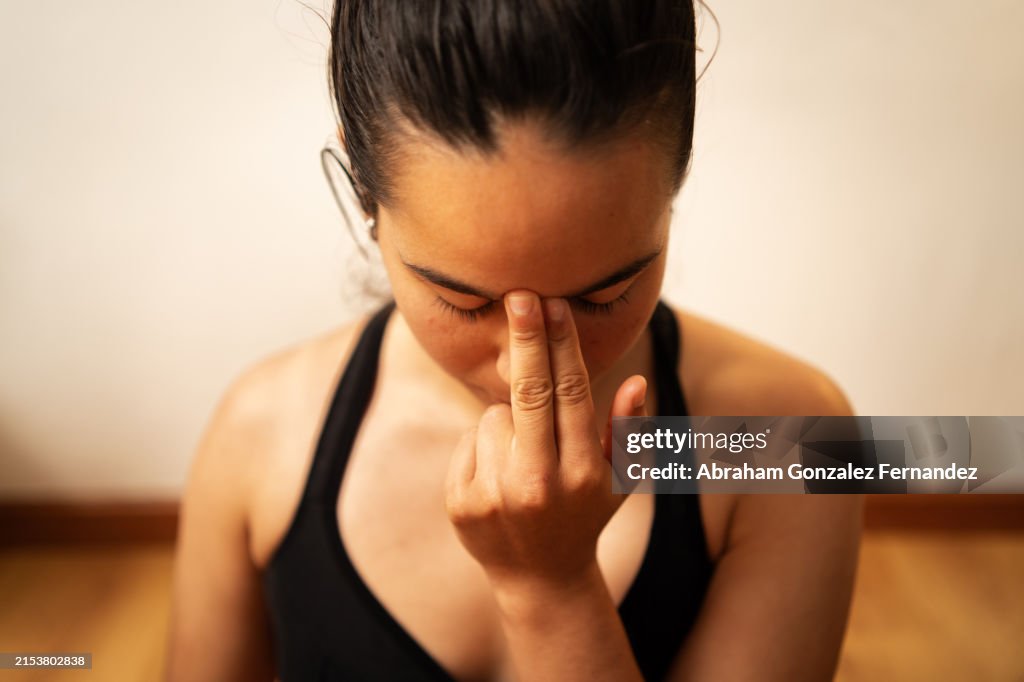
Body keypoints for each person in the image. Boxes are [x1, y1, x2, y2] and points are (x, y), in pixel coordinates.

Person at [165, 1, 864, 680]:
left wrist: (552, 592)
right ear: (363, 193)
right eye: (463, 301)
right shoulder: (260, 430)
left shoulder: (800, 436)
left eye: (602, 296)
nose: (520, 366)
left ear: (677, 175)